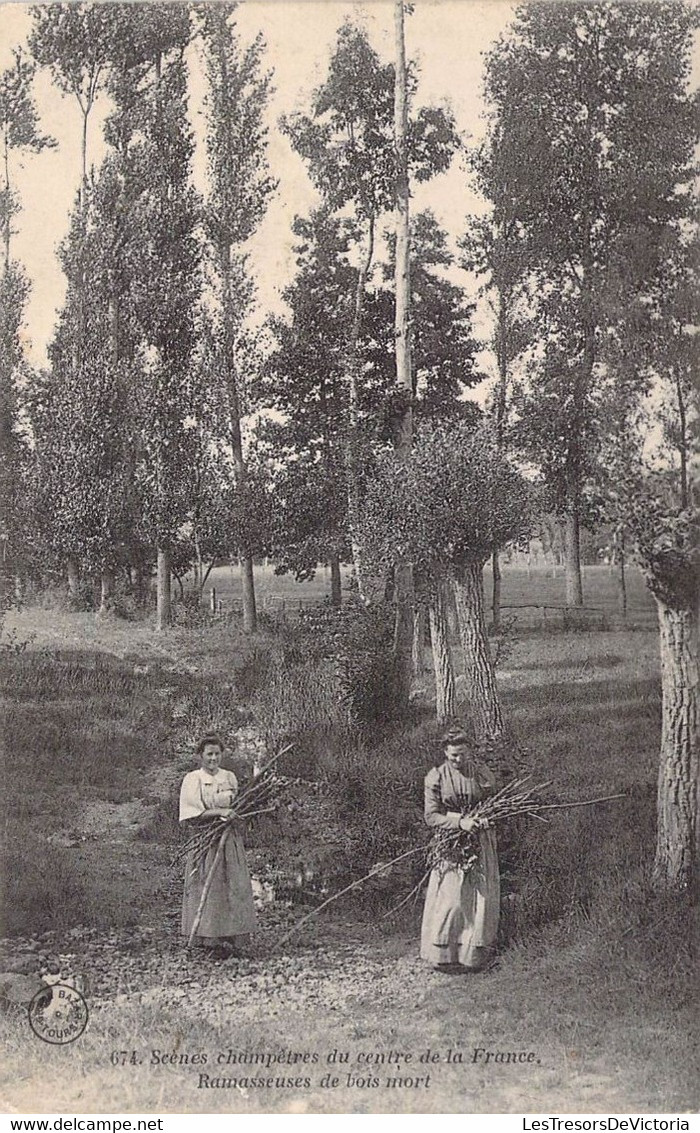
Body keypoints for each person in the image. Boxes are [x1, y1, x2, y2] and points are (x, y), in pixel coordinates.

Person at [420, 726, 500, 971]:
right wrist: (459, 823)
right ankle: (445, 955)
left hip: (479, 838)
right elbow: (431, 816)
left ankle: (473, 956)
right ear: (445, 752)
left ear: (470, 752)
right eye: (453, 754)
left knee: (479, 897)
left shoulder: (482, 773)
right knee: (452, 898)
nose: (458, 759)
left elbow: (492, 803)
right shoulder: (436, 777)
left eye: (463, 753)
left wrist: (486, 818)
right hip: (451, 842)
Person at [179, 732, 256, 956]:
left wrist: (237, 817)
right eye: (209, 754)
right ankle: (208, 938)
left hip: (228, 838)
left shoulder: (229, 777)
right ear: (200, 756)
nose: (213, 758)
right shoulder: (193, 779)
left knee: (233, 885)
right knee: (207, 886)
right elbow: (192, 812)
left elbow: (239, 806)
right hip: (206, 838)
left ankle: (232, 935)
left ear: (222, 755)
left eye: (217, 754)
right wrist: (220, 812)